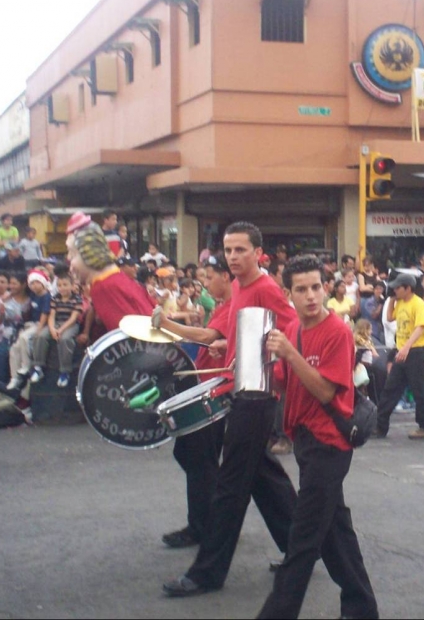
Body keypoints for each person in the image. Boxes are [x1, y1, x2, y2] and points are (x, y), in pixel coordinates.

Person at [162, 222, 297, 598]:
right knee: (264, 480)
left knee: (230, 486)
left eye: (241, 250)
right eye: (229, 250)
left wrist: (275, 369)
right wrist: (229, 350)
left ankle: (207, 573)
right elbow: (240, 335)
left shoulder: (266, 288)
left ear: (258, 253)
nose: (234, 257)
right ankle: (301, 548)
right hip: (237, 388)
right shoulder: (237, 287)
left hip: (257, 396)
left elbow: (292, 332)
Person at [256, 255, 379, 619]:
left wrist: (290, 355)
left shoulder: (337, 332)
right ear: (288, 293)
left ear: (326, 288)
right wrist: (257, 362)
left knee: (303, 540)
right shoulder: (293, 329)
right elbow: (286, 381)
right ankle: (361, 608)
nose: (311, 296)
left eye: (316, 287)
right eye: (301, 289)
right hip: (306, 441)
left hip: (330, 444)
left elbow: (326, 391)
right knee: (336, 532)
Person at [154, 257, 234, 550]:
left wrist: (166, 323)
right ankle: (207, 521)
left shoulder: (233, 303)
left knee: (198, 458)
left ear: (226, 277)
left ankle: (204, 526)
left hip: (216, 391)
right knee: (193, 456)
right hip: (208, 388)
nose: (205, 283)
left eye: (209, 277)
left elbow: (206, 336)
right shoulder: (224, 305)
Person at [374, 274, 424, 440]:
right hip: (401, 351)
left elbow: (421, 327)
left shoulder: (418, 303)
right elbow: (389, 317)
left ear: (408, 288)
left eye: (398, 288)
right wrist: (392, 300)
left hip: (415, 351)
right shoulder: (400, 302)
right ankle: (380, 427)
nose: (395, 290)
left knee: (420, 391)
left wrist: (407, 347)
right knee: (390, 389)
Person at [32, 270, 83, 388]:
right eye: (59, 285)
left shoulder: (77, 299)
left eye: (65, 285)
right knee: (40, 336)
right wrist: (52, 329)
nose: (62, 288)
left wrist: (60, 330)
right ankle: (38, 367)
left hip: (70, 325)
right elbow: (52, 315)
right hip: (56, 323)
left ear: (71, 286)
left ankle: (65, 371)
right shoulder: (55, 298)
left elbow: (73, 318)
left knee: (65, 339)